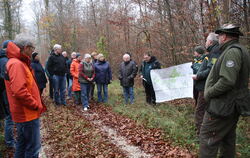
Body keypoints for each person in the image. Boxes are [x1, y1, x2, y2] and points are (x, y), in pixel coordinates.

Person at [199, 24, 250, 158]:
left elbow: (227, 81)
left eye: (220, 35)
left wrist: (208, 92)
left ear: (225, 36)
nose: (219, 38)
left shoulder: (232, 52)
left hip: (222, 106)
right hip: (231, 105)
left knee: (207, 139)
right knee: (227, 140)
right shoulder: (239, 50)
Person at [4, 34, 46, 158]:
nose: (33, 51)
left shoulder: (17, 62)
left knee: (22, 146)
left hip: (25, 114)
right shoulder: (16, 64)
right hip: (27, 114)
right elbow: (19, 91)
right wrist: (35, 104)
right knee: (33, 149)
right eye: (32, 48)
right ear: (26, 47)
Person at [192, 33, 222, 137]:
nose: (205, 43)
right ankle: (208, 132)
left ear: (210, 42)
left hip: (205, 87)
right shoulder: (212, 52)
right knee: (206, 110)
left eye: (206, 41)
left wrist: (198, 76)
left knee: (200, 111)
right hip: (206, 86)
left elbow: (210, 70)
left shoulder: (214, 53)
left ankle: (202, 135)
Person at [0, 40, 15, 149]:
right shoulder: (4, 60)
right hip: (5, 92)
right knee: (9, 117)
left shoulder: (5, 59)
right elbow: (6, 78)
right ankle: (9, 142)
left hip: (5, 91)